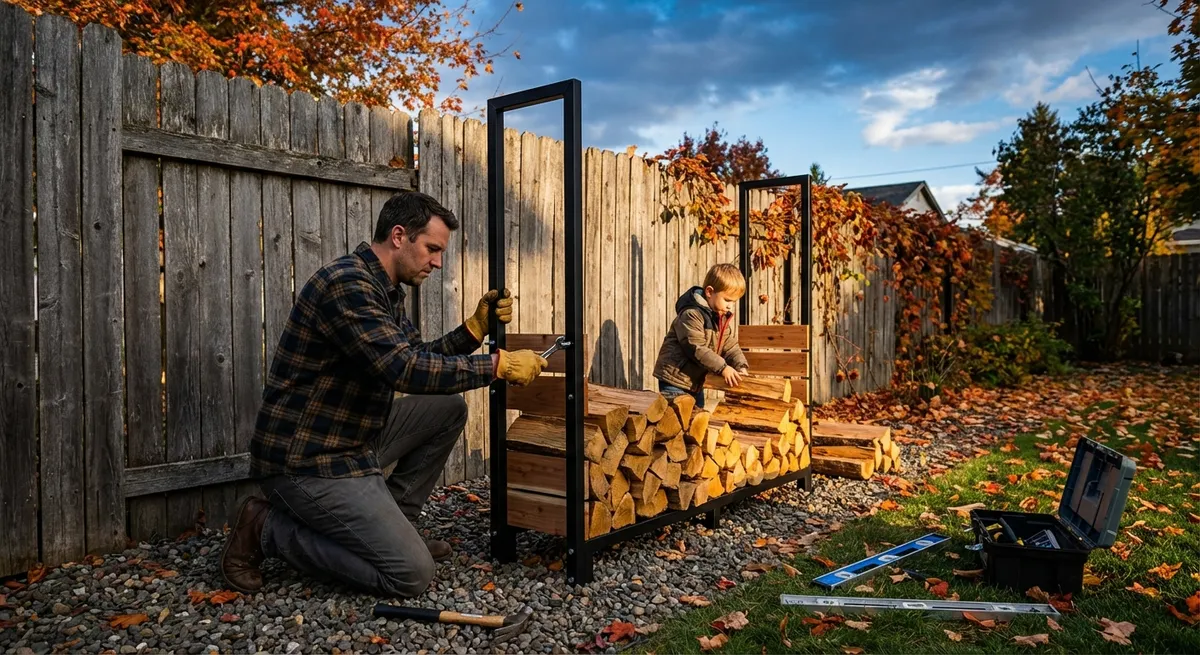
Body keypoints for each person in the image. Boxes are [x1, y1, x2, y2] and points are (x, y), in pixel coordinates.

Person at [220, 191, 548, 598]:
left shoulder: (383, 290)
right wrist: (497, 366)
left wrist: (473, 331)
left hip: (352, 439)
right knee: (410, 575)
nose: (437, 262)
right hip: (307, 460)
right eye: (432, 248)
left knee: (446, 408)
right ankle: (265, 528)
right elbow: (403, 370)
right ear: (398, 236)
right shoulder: (347, 285)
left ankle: (396, 529)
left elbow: (416, 356)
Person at [652, 263, 750, 407]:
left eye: (733, 302)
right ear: (709, 292)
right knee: (677, 422)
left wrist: (740, 365)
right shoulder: (691, 315)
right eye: (727, 300)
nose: (730, 306)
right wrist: (723, 368)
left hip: (695, 383)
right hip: (675, 381)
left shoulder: (719, 318)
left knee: (698, 422)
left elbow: (730, 346)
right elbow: (697, 348)